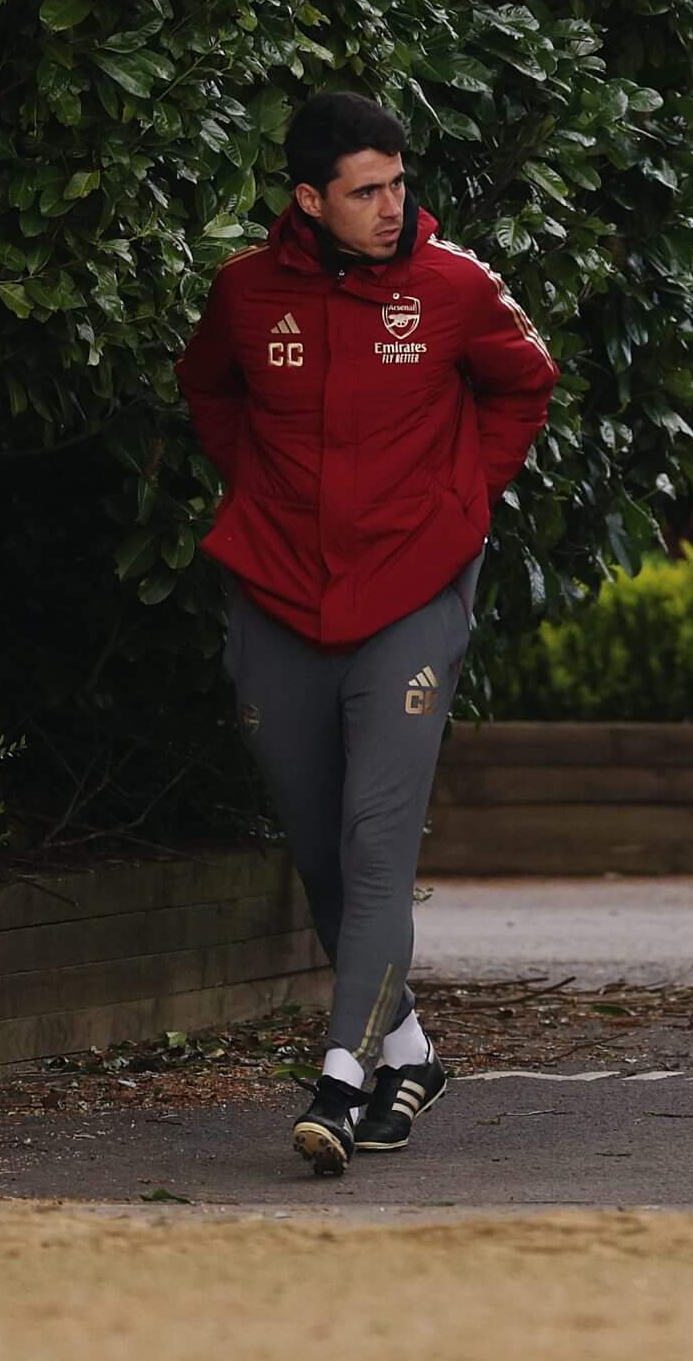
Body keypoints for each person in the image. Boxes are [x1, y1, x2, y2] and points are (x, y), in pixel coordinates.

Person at [176, 92, 558, 1175]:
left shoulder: (456, 285)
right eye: (366, 192)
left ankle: (341, 1078)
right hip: (281, 595)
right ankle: (409, 1053)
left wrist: (460, 504)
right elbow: (208, 389)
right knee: (318, 850)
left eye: (399, 184)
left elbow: (524, 387)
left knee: (376, 844)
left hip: (411, 597)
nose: (393, 207)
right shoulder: (247, 295)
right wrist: (258, 487)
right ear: (309, 199)